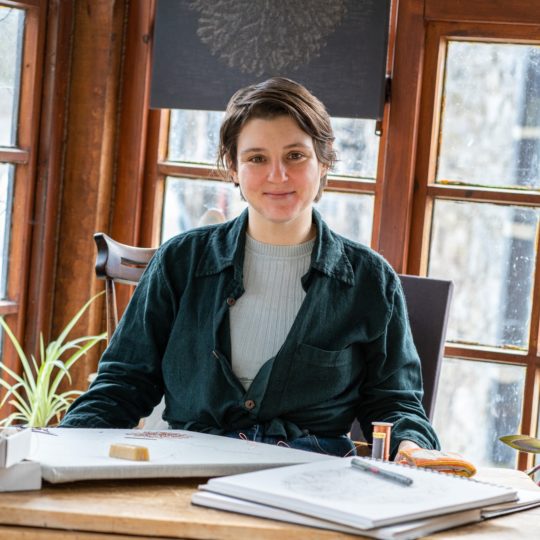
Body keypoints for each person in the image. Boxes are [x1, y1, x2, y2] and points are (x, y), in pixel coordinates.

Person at [61, 77, 440, 460]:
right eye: (257, 158)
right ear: (233, 166)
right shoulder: (180, 261)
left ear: (324, 161)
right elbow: (122, 385)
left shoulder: (370, 280)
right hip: (184, 473)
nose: (278, 175)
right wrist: (56, 451)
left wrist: (412, 447)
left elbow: (396, 406)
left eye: (295, 156)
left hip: (311, 482)